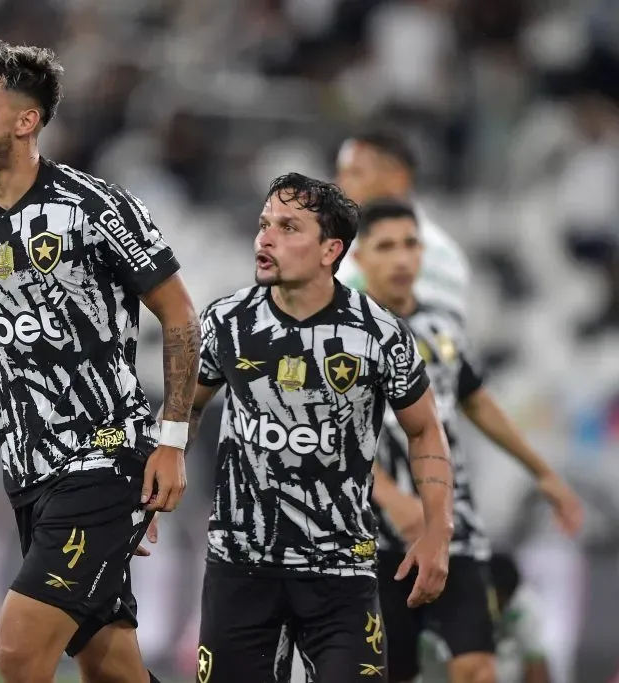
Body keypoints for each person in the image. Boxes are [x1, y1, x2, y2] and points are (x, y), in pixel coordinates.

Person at [0, 40, 199, 683]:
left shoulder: (94, 207)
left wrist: (172, 441)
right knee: (111, 669)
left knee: (19, 652)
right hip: (27, 470)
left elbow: (180, 315)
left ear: (25, 120)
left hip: (106, 455)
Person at [184, 173, 454, 683]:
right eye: (264, 224)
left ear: (331, 250)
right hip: (241, 567)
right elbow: (184, 409)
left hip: (340, 572)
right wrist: (157, 474)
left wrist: (438, 530)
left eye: (288, 228)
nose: (265, 238)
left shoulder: (379, 335)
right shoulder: (227, 322)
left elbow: (424, 431)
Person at [355, 199, 584, 683]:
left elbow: (477, 402)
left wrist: (542, 472)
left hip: (451, 530)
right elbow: (329, 434)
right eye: (386, 246)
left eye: (410, 245)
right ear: (360, 257)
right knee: (391, 673)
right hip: (373, 539)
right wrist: (391, 497)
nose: (401, 258)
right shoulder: (341, 334)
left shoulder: (444, 327)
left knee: (478, 668)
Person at [335, 128, 469, 324]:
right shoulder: (339, 243)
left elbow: (435, 330)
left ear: (398, 177)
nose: (341, 184)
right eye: (341, 174)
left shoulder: (437, 254)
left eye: (356, 173)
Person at [417, 553, 554, 683]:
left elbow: (536, 662)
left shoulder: (524, 606)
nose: (496, 609)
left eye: (502, 603)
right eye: (494, 601)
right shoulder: (452, 601)